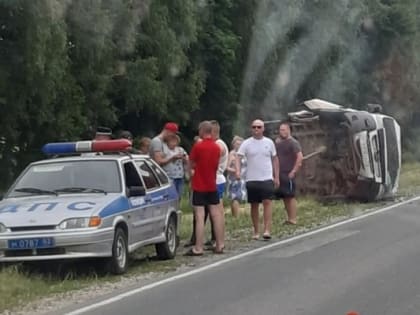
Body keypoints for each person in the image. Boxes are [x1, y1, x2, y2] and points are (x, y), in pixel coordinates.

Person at [185, 121, 224, 256]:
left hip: (199, 184)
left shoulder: (198, 146)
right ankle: (219, 244)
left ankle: (198, 247)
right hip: (212, 184)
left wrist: (190, 174)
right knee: (216, 214)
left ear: (202, 131)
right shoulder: (216, 147)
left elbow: (190, 163)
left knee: (200, 216)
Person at [236, 119, 279, 240]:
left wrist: (276, 176)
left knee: (267, 202)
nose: (256, 129)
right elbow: (238, 157)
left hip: (266, 177)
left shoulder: (269, 142)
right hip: (252, 178)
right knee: (254, 204)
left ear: (263, 129)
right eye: (254, 127)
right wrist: (238, 171)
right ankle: (256, 230)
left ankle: (267, 229)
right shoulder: (247, 143)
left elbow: (275, 159)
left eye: (259, 127)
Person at [274, 122, 303, 225]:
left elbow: (300, 157)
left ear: (288, 130)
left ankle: (293, 218)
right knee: (285, 196)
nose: (281, 132)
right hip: (280, 173)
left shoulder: (293, 142)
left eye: (283, 130)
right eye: (280, 130)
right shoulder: (279, 143)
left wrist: (294, 171)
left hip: (289, 172)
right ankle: (289, 218)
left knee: (290, 196)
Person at [226, 136, 247, 217]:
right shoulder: (232, 154)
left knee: (239, 197)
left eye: (240, 144)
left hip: (242, 178)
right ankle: (236, 216)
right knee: (235, 197)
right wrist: (235, 171)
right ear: (233, 144)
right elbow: (227, 167)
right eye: (237, 144)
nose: (238, 145)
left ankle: (235, 214)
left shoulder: (244, 154)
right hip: (234, 178)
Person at [163, 134, 188, 199]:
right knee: (172, 194)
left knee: (179, 193)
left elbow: (187, 160)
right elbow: (163, 161)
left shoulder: (180, 149)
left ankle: (178, 206)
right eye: (172, 141)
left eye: (175, 142)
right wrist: (173, 158)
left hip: (180, 175)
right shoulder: (165, 150)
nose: (174, 143)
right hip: (170, 175)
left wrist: (184, 158)